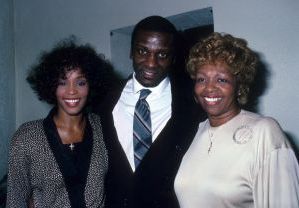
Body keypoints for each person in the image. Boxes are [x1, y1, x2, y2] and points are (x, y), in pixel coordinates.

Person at [174, 32, 299, 208]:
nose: (209, 88)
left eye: (222, 80)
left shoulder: (264, 131)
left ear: (239, 86)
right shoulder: (197, 130)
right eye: (202, 79)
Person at [93, 16, 206, 208]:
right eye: (142, 51)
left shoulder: (194, 104)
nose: (151, 63)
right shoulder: (100, 100)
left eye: (162, 55)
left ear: (174, 57)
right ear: (131, 51)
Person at [6, 39, 111, 208]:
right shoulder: (27, 137)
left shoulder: (104, 128)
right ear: (51, 86)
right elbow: (15, 200)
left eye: (80, 82)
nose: (71, 90)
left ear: (91, 85)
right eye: (62, 82)